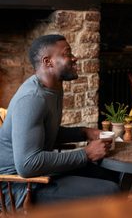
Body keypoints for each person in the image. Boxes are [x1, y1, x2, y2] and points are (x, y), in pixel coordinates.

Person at [0, 35, 119, 209]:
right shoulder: (32, 99)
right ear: (47, 62)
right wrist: (85, 154)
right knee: (109, 191)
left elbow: (45, 132)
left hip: (39, 174)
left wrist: (84, 132)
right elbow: (27, 165)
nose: (74, 58)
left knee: (110, 174)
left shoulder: (53, 88)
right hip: (17, 185)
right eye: (67, 53)